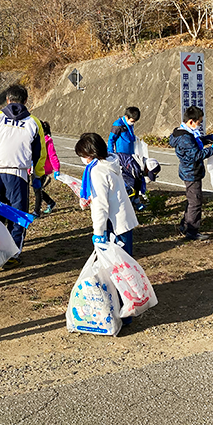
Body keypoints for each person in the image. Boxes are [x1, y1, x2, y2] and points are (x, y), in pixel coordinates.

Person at [0, 84, 47, 269]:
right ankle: (13, 252)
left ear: (7, 100)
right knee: (18, 215)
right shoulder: (34, 122)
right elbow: (40, 153)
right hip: (18, 174)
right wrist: (38, 174)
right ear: (26, 101)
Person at [75, 132, 139, 326]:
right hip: (123, 222)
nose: (82, 159)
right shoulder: (110, 162)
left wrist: (98, 233)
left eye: (82, 155)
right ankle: (126, 307)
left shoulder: (97, 172)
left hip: (114, 226)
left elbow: (101, 207)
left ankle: (123, 312)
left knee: (117, 270)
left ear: (90, 153)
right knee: (123, 267)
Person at [169, 106, 213, 241]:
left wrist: (208, 139)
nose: (199, 125)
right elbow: (196, 154)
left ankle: (185, 225)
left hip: (189, 171)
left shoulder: (182, 132)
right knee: (196, 202)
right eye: (199, 122)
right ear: (191, 121)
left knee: (192, 199)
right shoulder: (185, 137)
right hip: (191, 172)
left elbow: (195, 143)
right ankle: (192, 231)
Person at [108, 106, 146, 210]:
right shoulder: (118, 125)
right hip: (121, 155)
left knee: (137, 175)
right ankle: (129, 203)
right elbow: (111, 139)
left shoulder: (129, 124)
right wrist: (111, 155)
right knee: (128, 179)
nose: (133, 123)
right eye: (132, 121)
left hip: (131, 154)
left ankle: (135, 200)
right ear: (126, 117)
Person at [34, 120, 61, 216]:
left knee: (37, 190)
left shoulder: (47, 141)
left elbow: (52, 155)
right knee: (37, 189)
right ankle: (50, 202)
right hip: (35, 168)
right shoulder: (35, 139)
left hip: (43, 169)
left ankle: (36, 211)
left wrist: (56, 168)